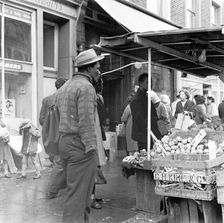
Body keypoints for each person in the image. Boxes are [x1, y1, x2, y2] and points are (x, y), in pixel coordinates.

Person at [56, 48, 104, 223]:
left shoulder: (65, 86)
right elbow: (86, 121)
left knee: (77, 192)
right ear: (89, 68)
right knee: (79, 196)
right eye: (97, 66)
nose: (99, 70)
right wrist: (92, 149)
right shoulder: (86, 87)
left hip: (65, 143)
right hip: (80, 145)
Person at [39, 77, 67, 199]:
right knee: (59, 163)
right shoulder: (65, 99)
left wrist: (51, 126)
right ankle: (52, 190)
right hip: (63, 135)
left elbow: (42, 120)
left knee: (58, 161)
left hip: (50, 137)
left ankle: (60, 186)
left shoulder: (46, 100)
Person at [130, 73, 161, 151]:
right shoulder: (137, 99)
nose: (150, 84)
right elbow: (140, 119)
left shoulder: (145, 95)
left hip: (149, 133)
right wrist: (155, 118)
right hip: (144, 134)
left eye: (151, 82)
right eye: (147, 82)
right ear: (140, 83)